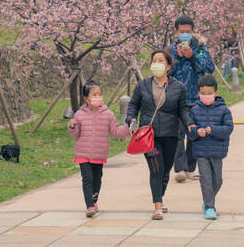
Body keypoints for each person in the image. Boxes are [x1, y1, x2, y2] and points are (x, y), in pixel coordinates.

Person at [126, 49, 194, 220]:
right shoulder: (142, 85)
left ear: (168, 66)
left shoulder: (178, 87)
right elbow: (134, 105)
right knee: (156, 169)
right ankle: (157, 206)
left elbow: (183, 109)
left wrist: (189, 122)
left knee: (165, 171)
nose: (156, 64)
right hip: (149, 135)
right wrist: (131, 119)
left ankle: (160, 199)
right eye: (154, 60)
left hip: (171, 134)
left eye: (160, 61)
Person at [68, 81, 130, 218]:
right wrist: (72, 127)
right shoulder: (79, 114)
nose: (98, 97)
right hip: (83, 153)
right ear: (86, 98)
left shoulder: (107, 114)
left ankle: (94, 201)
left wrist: (127, 129)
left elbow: (116, 132)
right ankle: (89, 205)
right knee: (87, 178)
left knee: (97, 179)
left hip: (99, 154)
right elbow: (75, 134)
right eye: (94, 94)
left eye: (99, 94)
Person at [170, 15, 215, 182]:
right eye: (182, 32)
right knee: (178, 135)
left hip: (197, 99)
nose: (185, 35)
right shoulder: (171, 50)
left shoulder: (201, 48)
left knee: (194, 134)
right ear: (176, 31)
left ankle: (190, 168)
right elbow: (165, 72)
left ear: (193, 31)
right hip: (176, 99)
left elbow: (209, 67)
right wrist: (179, 58)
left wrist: (193, 57)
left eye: (188, 32)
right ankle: (180, 168)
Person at [188, 75, 234, 220]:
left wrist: (212, 130)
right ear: (198, 93)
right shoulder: (194, 111)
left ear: (216, 93)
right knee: (206, 180)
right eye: (203, 94)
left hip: (217, 151)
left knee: (217, 180)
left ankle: (208, 200)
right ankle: (209, 207)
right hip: (201, 151)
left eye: (209, 93)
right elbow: (188, 132)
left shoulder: (224, 110)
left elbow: (228, 129)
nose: (206, 96)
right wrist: (196, 132)